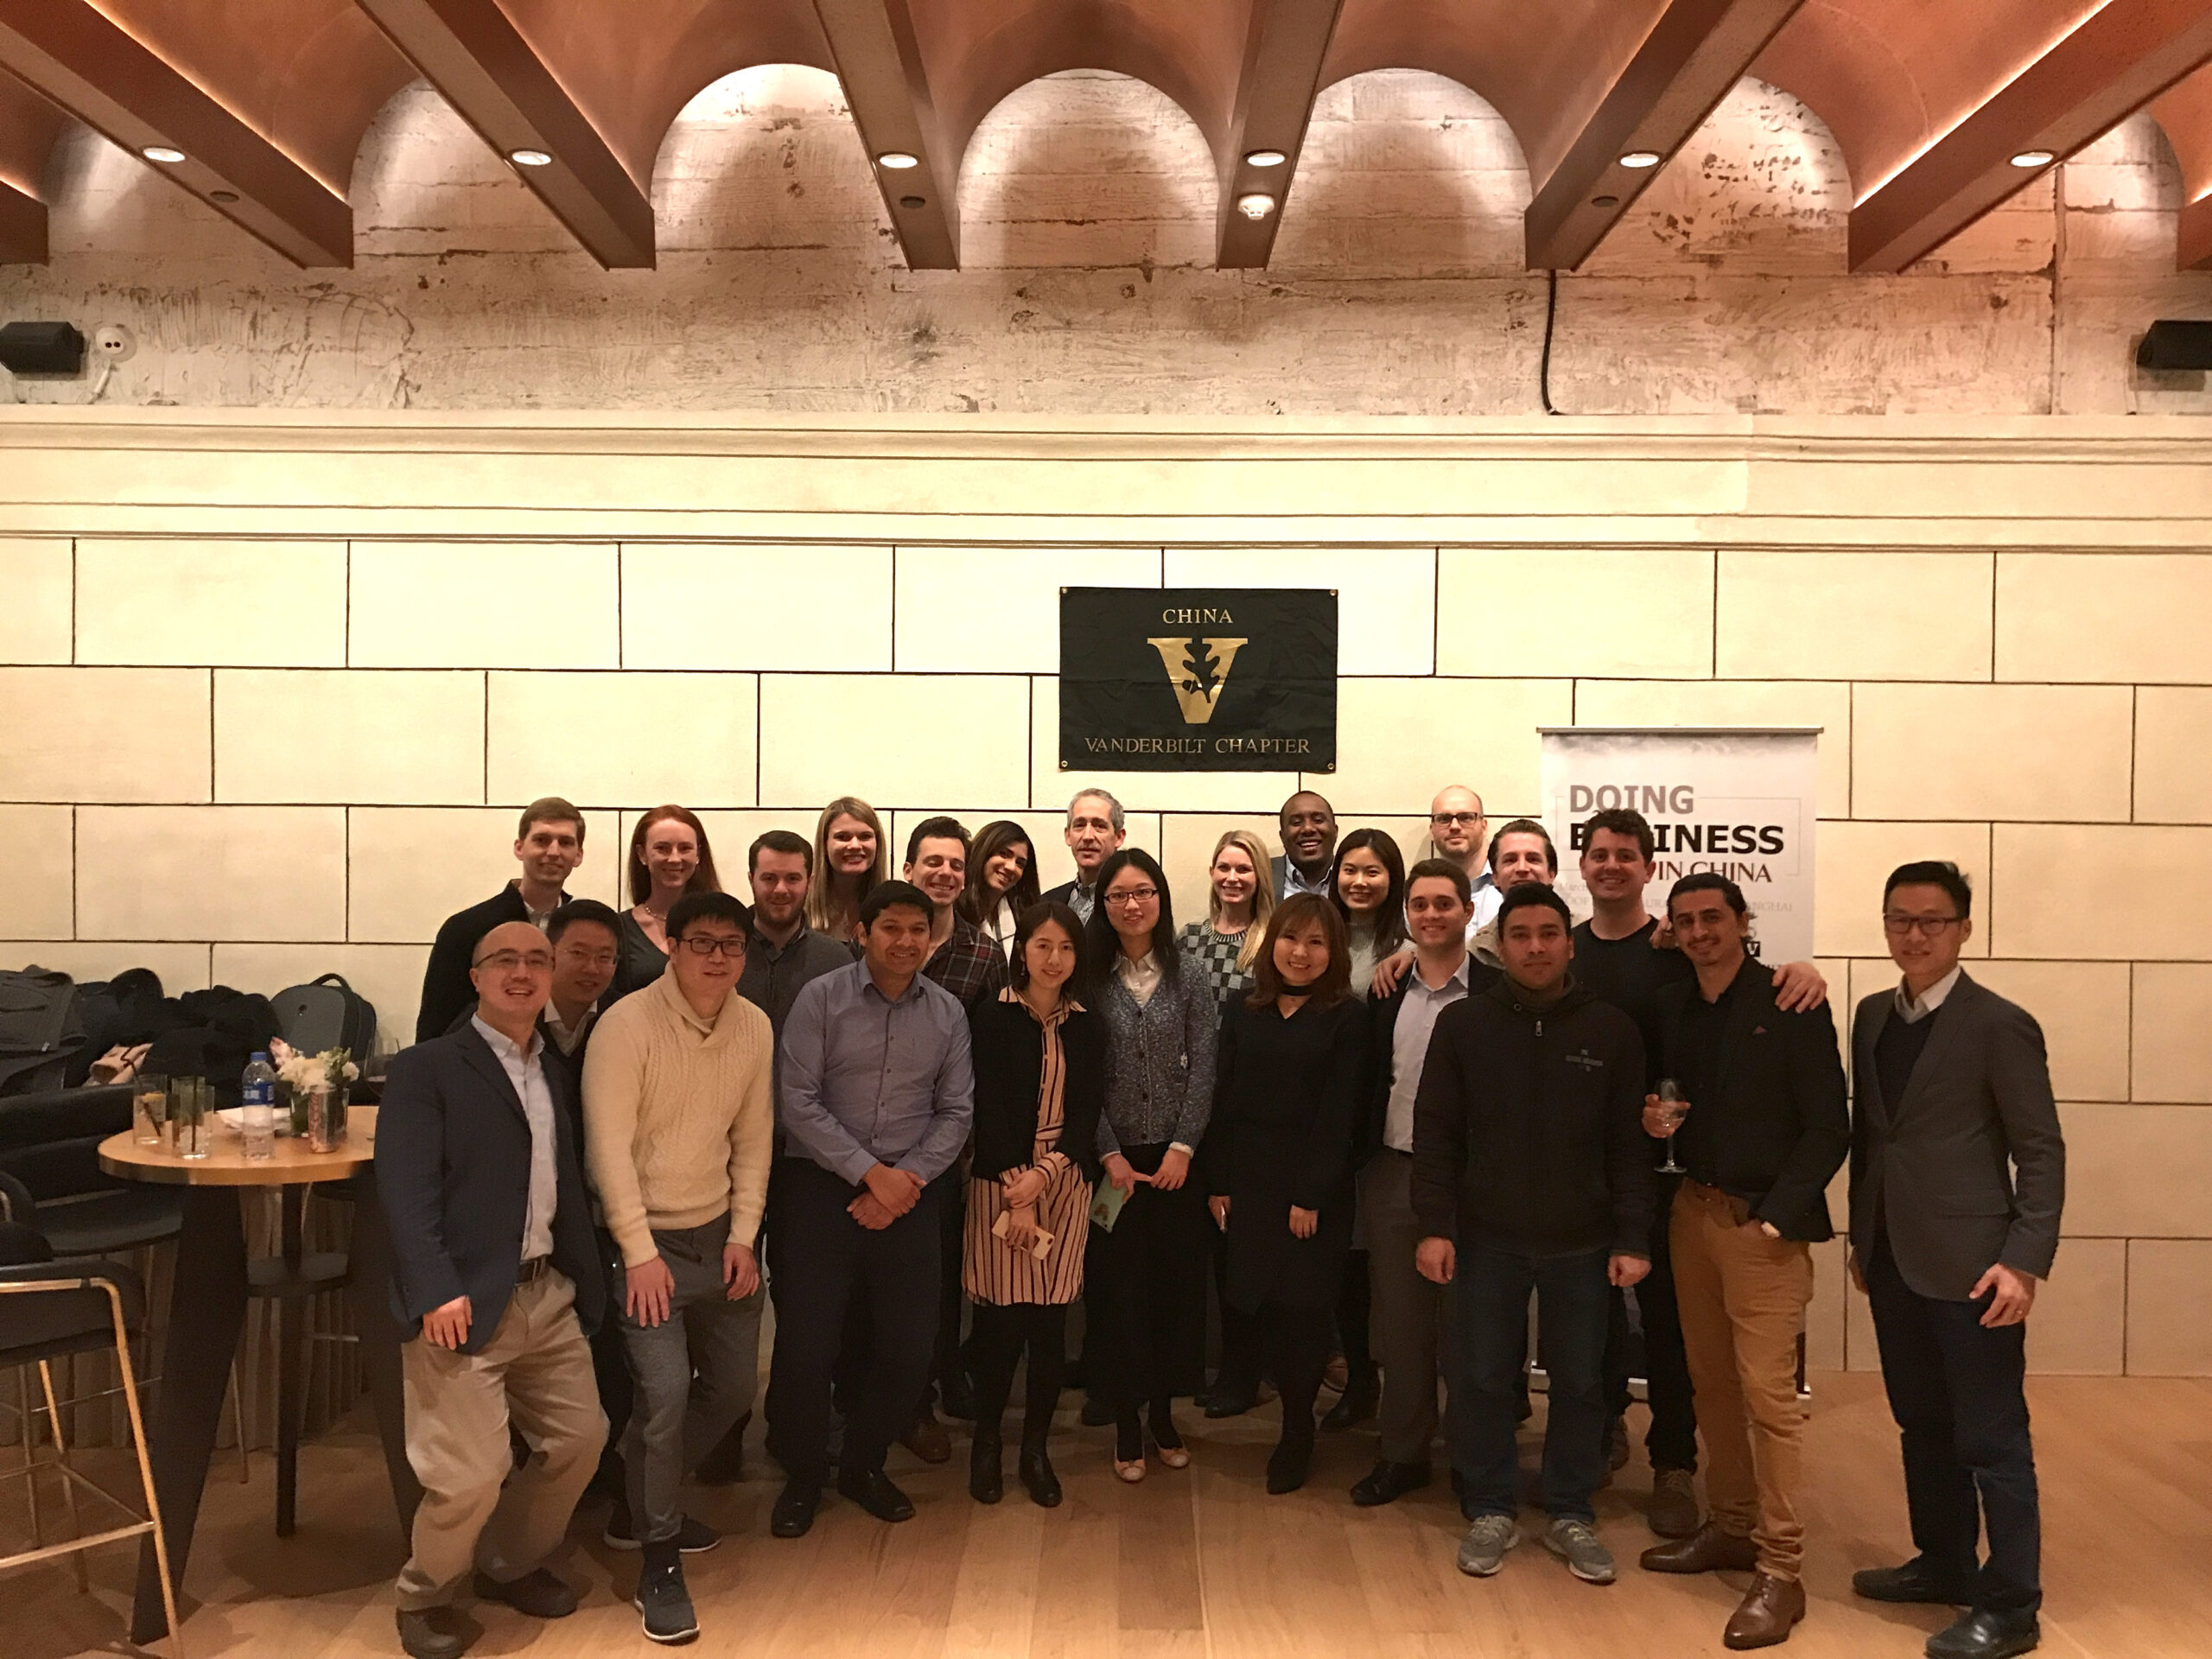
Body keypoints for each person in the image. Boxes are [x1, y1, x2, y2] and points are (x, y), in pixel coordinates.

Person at [1848, 862, 2063, 1659]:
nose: (1915, 935)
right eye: (1899, 919)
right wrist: (1864, 1235)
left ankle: (2011, 1607)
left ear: (1964, 929)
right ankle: (1944, 1561)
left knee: (1992, 1437)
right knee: (1921, 1422)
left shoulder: (2000, 1024)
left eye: (1932, 921)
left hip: (1976, 1266)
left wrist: (2024, 1261)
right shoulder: (1873, 1015)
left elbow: (2040, 1151)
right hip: (1892, 1257)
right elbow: (1878, 1139)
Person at [377, 921, 607, 1659]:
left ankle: (508, 1562)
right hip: (464, 1301)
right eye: (504, 960)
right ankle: (425, 1594)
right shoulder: (428, 1068)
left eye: (537, 959)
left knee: (580, 1440)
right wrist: (433, 1289)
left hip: (547, 1294)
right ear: (475, 977)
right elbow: (405, 1190)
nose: (522, 972)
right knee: (470, 1474)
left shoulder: (553, 1070)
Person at [1414, 884, 1653, 1588]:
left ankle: (1571, 1509)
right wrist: (1435, 1226)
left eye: (1549, 934)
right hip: (1485, 1237)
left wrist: (1631, 1235)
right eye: (1521, 935)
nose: (1536, 947)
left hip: (1583, 1240)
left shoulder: (1611, 1030)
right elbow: (1436, 1134)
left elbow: (1628, 1147)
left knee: (1581, 1380)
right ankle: (1490, 1505)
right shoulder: (1463, 1025)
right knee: (1484, 1376)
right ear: (1501, 945)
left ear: (1569, 944)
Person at [1637, 874, 1850, 1650]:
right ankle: (1730, 1527)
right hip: (1690, 1214)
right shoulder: (1671, 1006)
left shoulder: (1792, 1001)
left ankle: (1781, 1569)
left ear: (1741, 921)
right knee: (1712, 1384)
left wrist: (1775, 1219)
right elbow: (1661, 1102)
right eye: (1686, 922)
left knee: (1769, 1398)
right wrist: (1653, 1119)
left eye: (1713, 919)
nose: (1700, 933)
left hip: (1762, 1228)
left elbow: (1829, 1127)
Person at [582, 892, 774, 1644]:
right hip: (645, 1243)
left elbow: (753, 1138)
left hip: (720, 1234)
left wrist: (745, 1236)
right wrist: (637, 1251)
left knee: (731, 1392)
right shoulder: (625, 1025)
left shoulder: (753, 1026)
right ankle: (657, 1558)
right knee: (663, 1394)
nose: (718, 957)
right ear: (672, 945)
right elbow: (607, 1149)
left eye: (732, 945)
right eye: (703, 942)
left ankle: (639, 1500)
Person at [766, 881, 975, 1538]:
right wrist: (869, 1173)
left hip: (911, 1191)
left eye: (918, 930)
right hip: (820, 1187)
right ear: (863, 933)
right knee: (806, 1349)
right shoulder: (820, 999)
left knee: (910, 1350)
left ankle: (862, 1464)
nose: (906, 941)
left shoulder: (946, 1012)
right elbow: (797, 1100)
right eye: (892, 928)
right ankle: (804, 1475)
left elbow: (956, 1111)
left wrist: (902, 1180)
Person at [1203, 893, 1368, 1494]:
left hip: (1311, 1192)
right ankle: (1277, 1408)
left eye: (1316, 942)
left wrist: (1312, 1195)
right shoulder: (1245, 1008)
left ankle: (1298, 1430)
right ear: (1272, 944)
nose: (1301, 953)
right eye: (1291, 939)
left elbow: (1341, 1114)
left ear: (1334, 952)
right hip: (1249, 1183)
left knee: (1303, 1311)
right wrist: (1219, 1182)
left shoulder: (1348, 1018)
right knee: (1261, 1304)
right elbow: (1223, 1098)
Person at [1570, 808, 1701, 1536]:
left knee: (1667, 1321)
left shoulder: (1675, 953)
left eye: (1626, 855)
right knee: (1591, 1321)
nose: (1612, 865)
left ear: (1650, 868)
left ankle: (1675, 1462)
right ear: (1582, 867)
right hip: (1579, 1170)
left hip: (1662, 1170)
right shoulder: (1564, 951)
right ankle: (1602, 1431)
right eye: (1600, 854)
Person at [1351, 858, 1496, 1507]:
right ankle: (1403, 1454)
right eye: (1420, 905)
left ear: (1468, 911)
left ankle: (1471, 1458)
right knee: (1400, 1324)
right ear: (1407, 915)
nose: (1432, 914)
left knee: (1471, 1330)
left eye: (1444, 903)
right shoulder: (1386, 990)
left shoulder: (1496, 990)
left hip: (1475, 1180)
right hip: (1396, 1172)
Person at [963, 901, 1103, 1508]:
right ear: (1022, 951)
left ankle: (1036, 1450)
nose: (1054, 959)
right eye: (1043, 945)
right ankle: (986, 1444)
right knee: (999, 1329)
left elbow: (1088, 1111)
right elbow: (984, 1106)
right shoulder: (990, 1016)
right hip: (999, 1181)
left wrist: (1047, 1173)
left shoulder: (1088, 1023)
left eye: (1066, 948)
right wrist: (1018, 1187)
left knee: (1049, 1330)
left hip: (1063, 1183)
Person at [1085, 848, 1217, 1481]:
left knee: (1172, 1293)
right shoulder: (1088, 977)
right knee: (1116, 1295)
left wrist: (1184, 1148)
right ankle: (1125, 1422)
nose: (1132, 904)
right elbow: (1078, 1075)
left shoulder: (1189, 973)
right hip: (1109, 1168)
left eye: (1143, 892)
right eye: (1118, 895)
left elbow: (1206, 1065)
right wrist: (1107, 1151)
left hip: (1175, 1167)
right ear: (1103, 905)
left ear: (1160, 899)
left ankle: (1163, 1413)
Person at [901, 817, 1006, 1457]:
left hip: (946, 1145)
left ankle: (931, 1391)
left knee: (939, 1280)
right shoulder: (877, 937)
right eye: (931, 862)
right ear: (908, 867)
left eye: (954, 865)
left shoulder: (984, 955)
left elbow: (993, 1055)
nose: (943, 873)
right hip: (872, 1143)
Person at [1320, 828, 1406, 1430]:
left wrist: (1415, 952)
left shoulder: (1407, 941)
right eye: (1349, 869)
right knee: (1345, 1262)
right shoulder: (1319, 935)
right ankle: (1357, 1379)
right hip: (1326, 1121)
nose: (1359, 881)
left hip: (1383, 1122)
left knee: (1387, 1267)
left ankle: (1403, 1389)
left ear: (1391, 879)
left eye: (1372, 871)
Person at [416, 798, 586, 1041]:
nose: (553, 852)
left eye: (565, 842)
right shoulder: (464, 929)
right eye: (541, 840)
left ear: (578, 855)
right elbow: (435, 1029)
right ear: (519, 847)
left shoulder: (586, 932)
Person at [736, 830, 858, 1034]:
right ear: (751, 880)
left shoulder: (837, 962)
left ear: (809, 883)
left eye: (792, 879)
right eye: (769, 878)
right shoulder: (724, 954)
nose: (780, 889)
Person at [607, 806, 722, 1003]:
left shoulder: (722, 927)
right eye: (662, 848)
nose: (675, 858)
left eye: (685, 848)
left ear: (698, 854)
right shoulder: (619, 929)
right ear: (642, 854)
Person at [1175, 828, 1274, 1011]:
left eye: (1243, 870)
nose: (1232, 878)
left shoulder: (1272, 942)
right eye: (1224, 868)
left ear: (1260, 876)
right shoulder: (1190, 938)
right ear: (1212, 872)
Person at [542, 900, 620, 1063]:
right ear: (549, 953)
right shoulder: (520, 1008)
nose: (591, 969)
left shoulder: (624, 1015)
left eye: (604, 957)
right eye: (578, 953)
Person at [804, 797, 889, 944]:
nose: (855, 845)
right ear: (824, 844)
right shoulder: (800, 904)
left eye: (865, 837)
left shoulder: (892, 907)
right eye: (842, 837)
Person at [1041, 789, 1126, 921]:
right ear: (1068, 835)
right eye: (1079, 825)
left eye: (1099, 826)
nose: (1087, 836)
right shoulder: (1046, 903)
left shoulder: (1132, 904)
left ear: (1119, 837)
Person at [967, 819, 1041, 961]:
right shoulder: (954, 910)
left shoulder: (1021, 917)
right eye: (1004, 854)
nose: (1011, 867)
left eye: (1020, 864)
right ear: (984, 851)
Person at [1427, 785, 1497, 927]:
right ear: (1432, 830)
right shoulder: (1417, 896)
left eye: (1466, 818)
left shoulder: (1508, 885)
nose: (1454, 826)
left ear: (1484, 827)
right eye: (1444, 819)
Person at [1270, 791, 1338, 899]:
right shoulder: (1260, 876)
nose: (1308, 828)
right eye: (1296, 822)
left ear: (1335, 831)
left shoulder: (1353, 877)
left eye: (1318, 820)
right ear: (1282, 836)